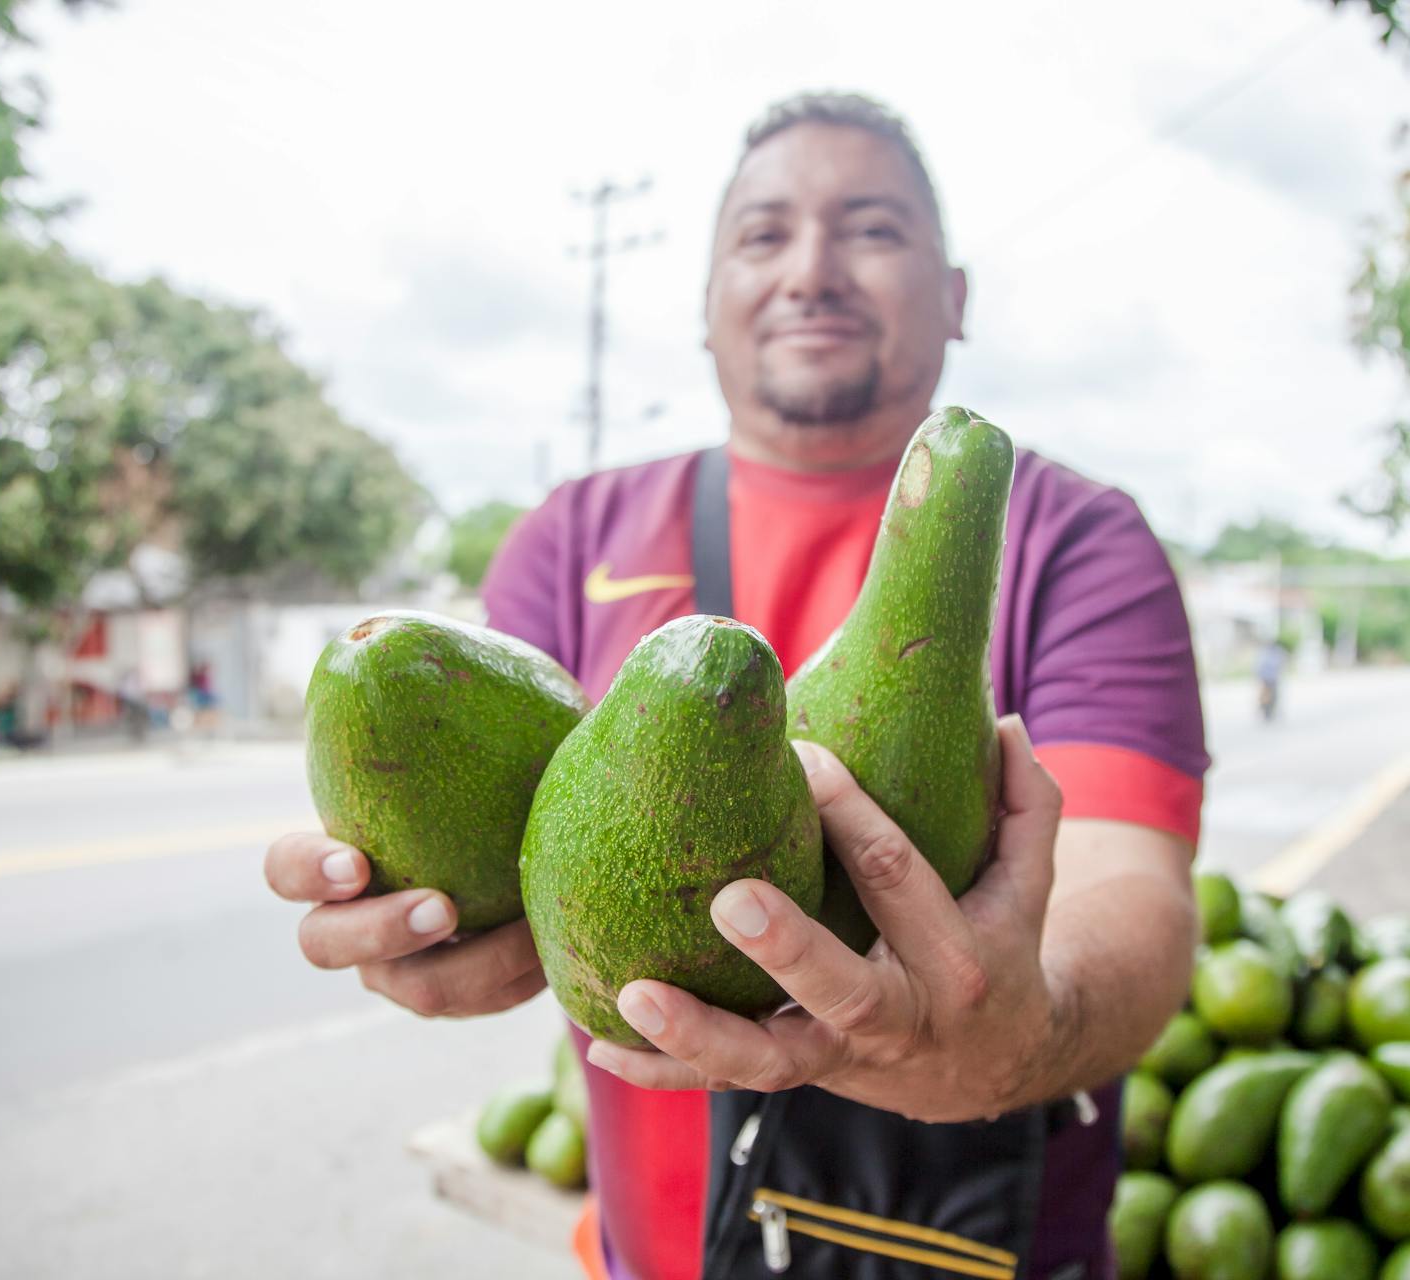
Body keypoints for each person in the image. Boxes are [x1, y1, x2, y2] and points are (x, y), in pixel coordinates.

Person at [265, 92, 1208, 1278]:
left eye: (870, 228)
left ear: (956, 295)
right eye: (763, 235)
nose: (811, 269)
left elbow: (1135, 898)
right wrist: (414, 907)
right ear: (705, 301)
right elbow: (495, 836)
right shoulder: (574, 533)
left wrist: (1025, 1031)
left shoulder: (1078, 541)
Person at [1256, 637, 1288, 722]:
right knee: (1266, 695)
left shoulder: (1273, 652)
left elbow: (1281, 663)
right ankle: (1264, 709)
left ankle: (1270, 710)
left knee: (1273, 695)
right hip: (1267, 678)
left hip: (1271, 678)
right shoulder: (1266, 652)